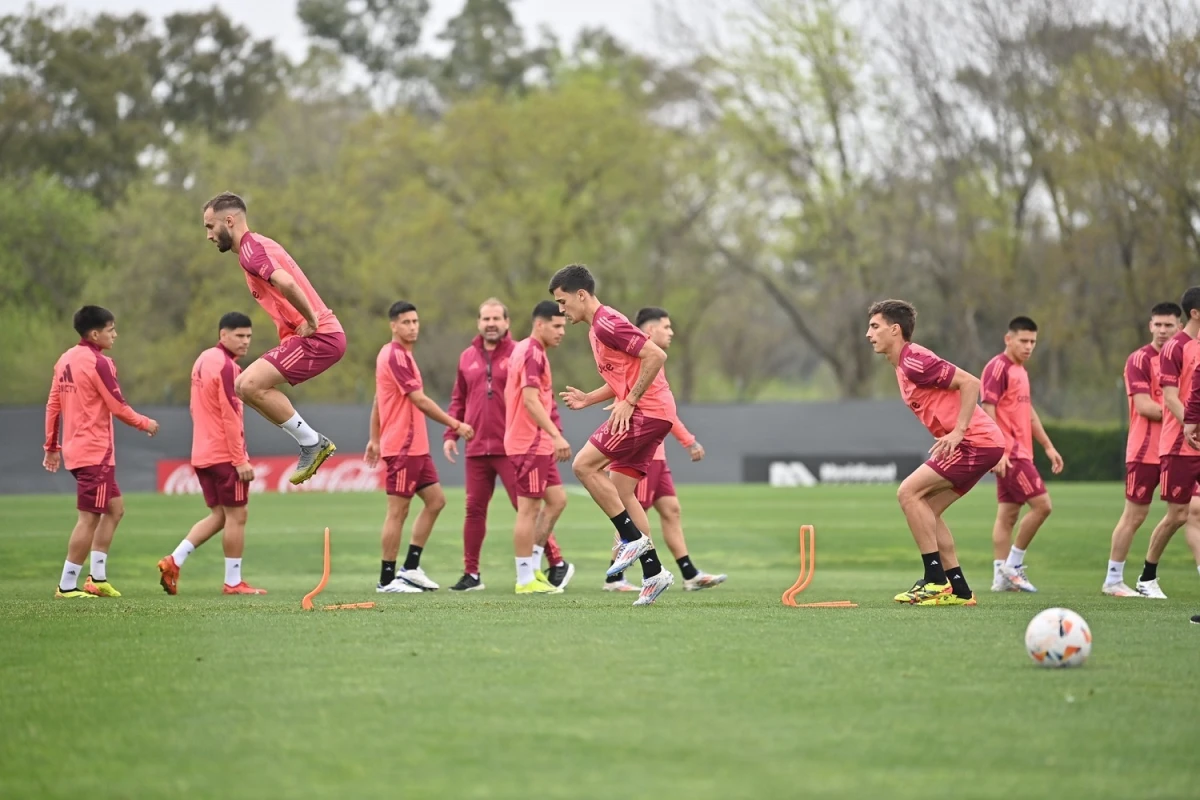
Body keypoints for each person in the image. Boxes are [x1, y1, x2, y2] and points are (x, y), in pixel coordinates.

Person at [550, 263, 676, 606]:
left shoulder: (606, 322)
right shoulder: (596, 329)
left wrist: (630, 400)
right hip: (653, 412)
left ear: (581, 295)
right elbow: (625, 372)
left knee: (583, 466)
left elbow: (656, 355)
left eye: (563, 302)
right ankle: (654, 574)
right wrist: (590, 398)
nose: (562, 310)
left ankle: (630, 538)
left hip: (647, 411)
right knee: (622, 490)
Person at [866, 299, 1006, 606]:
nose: (869, 334)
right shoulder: (903, 365)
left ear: (895, 330)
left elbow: (971, 382)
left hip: (975, 443)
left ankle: (934, 579)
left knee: (907, 493)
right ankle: (959, 589)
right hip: (982, 444)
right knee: (926, 507)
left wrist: (958, 431)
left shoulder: (913, 359)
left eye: (874, 327)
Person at [202, 192, 344, 485]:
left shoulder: (251, 251)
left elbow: (287, 283)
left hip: (321, 337)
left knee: (247, 384)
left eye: (210, 226)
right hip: (314, 336)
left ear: (229, 221)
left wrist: (312, 320)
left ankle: (312, 442)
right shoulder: (256, 247)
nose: (208, 235)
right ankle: (311, 441)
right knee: (246, 386)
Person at [443, 298, 572, 592]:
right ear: (478, 322)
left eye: (496, 318)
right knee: (507, 509)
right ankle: (514, 576)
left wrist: (554, 433)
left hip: (515, 443)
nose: (491, 324)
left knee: (551, 501)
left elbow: (543, 400)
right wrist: (451, 433)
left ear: (507, 322)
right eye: (485, 319)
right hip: (502, 443)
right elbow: (460, 399)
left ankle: (547, 564)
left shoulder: (519, 350)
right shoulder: (473, 357)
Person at [604, 307, 726, 592]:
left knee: (671, 510)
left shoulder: (653, 363)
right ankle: (614, 577)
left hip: (658, 455)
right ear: (649, 332)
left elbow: (664, 410)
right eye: (666, 327)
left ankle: (689, 573)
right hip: (645, 454)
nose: (671, 332)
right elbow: (661, 412)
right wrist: (688, 441)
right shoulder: (640, 361)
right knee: (633, 515)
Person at [43, 306, 159, 598]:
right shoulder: (100, 363)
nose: (115, 334)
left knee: (115, 509)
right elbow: (117, 406)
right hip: (94, 453)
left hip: (77, 450)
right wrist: (145, 422)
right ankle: (67, 584)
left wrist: (52, 446)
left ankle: (97, 577)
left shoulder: (65, 359)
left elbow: (53, 406)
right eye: (111, 329)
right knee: (89, 518)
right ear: (95, 333)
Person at [365, 302, 475, 593]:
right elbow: (420, 400)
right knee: (397, 512)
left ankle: (410, 568)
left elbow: (379, 398)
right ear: (393, 326)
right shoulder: (395, 356)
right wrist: (456, 424)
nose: (412, 326)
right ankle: (387, 580)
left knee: (436, 501)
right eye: (406, 322)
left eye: (415, 321)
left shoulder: (402, 355)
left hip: (415, 447)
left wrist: (374, 438)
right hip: (402, 447)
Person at [158, 312, 266, 596]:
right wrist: (240, 459)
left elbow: (196, 407)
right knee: (238, 516)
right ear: (223, 335)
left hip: (202, 451)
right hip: (224, 455)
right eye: (239, 336)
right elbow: (231, 415)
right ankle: (233, 582)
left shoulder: (204, 359)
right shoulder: (228, 367)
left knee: (220, 515)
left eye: (249, 336)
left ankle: (174, 560)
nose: (245, 342)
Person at [1102, 302, 1180, 596]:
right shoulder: (1139, 360)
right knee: (1134, 515)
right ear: (1150, 326)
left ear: (1180, 327)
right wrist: (1184, 413)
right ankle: (1113, 580)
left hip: (1178, 448)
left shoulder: (1185, 358)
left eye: (1168, 325)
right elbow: (1145, 405)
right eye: (1157, 324)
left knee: (1187, 512)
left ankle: (1148, 575)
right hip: (1145, 450)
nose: (1162, 330)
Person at [981, 317, 1064, 593]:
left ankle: (999, 578)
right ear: (1008, 339)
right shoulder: (997, 367)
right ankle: (1013, 566)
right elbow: (988, 409)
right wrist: (999, 450)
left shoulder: (1020, 371)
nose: (1029, 347)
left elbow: (1028, 413)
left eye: (1033, 342)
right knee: (1043, 506)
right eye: (1023, 341)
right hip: (1011, 453)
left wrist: (1048, 446)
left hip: (1021, 451)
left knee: (1007, 515)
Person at [504, 302, 573, 594]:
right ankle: (524, 579)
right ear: (539, 324)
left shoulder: (527, 349)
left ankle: (533, 567)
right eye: (556, 326)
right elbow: (530, 400)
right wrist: (555, 435)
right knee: (528, 510)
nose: (562, 332)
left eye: (564, 327)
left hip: (536, 442)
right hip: (529, 443)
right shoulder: (532, 352)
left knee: (557, 500)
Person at [1147, 287, 1200, 598]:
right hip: (1179, 444)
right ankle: (1147, 575)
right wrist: (1190, 428)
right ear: (1195, 313)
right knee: (1178, 515)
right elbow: (1169, 397)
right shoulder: (1175, 348)